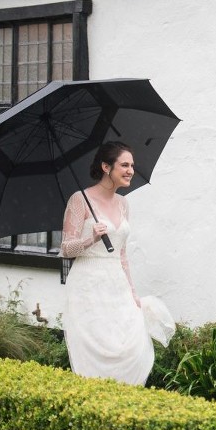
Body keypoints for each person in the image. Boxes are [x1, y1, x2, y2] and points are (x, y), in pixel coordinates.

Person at [61, 141, 175, 386]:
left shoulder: (124, 204)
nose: (131, 170)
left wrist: (133, 292)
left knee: (129, 346)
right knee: (96, 349)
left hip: (117, 285)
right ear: (105, 167)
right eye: (124, 165)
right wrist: (90, 238)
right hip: (87, 285)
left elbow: (122, 255)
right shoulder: (79, 200)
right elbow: (65, 249)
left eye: (132, 165)